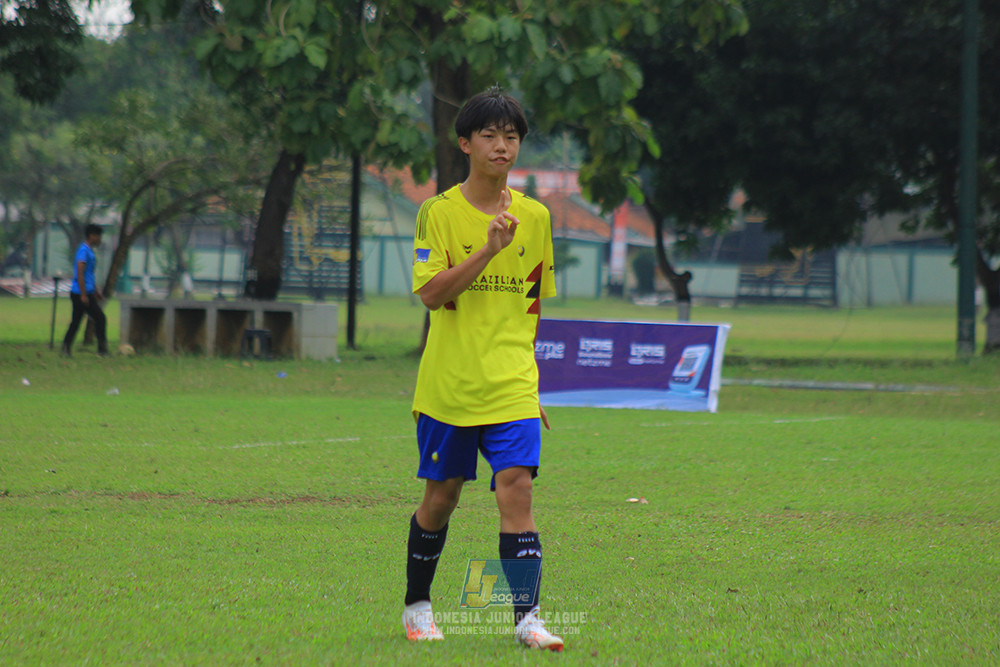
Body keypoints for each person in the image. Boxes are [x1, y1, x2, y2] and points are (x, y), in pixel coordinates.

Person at [401, 87, 562, 651]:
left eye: (511, 136)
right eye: (490, 135)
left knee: (516, 492)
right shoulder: (437, 213)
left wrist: (531, 383)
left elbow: (532, 305)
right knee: (440, 499)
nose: (502, 146)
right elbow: (429, 294)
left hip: (512, 384)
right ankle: (418, 607)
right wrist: (487, 251)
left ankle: (528, 619)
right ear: (465, 143)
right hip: (450, 385)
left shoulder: (537, 217)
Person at [61, 224, 109, 357]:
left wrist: (96, 290)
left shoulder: (89, 250)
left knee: (77, 321)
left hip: (86, 292)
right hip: (81, 293)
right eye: (98, 236)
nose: (99, 239)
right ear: (92, 236)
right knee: (99, 318)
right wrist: (83, 295)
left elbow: (89, 274)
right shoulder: (83, 250)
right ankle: (102, 350)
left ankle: (66, 348)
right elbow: (80, 273)